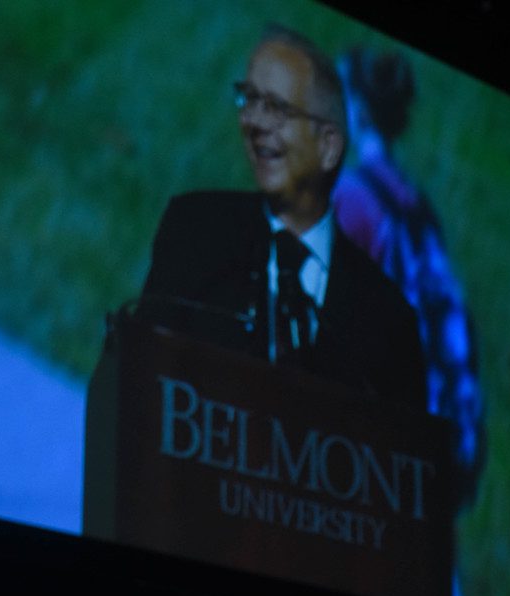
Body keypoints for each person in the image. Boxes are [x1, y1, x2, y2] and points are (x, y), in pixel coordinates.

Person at [136, 25, 426, 413]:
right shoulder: (195, 231)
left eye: (277, 108)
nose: (252, 122)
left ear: (328, 147)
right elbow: (138, 385)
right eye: (249, 99)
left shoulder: (391, 323)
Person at [332, 46, 486, 511]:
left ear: (356, 109)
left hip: (387, 448)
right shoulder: (417, 209)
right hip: (445, 435)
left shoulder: (352, 200)